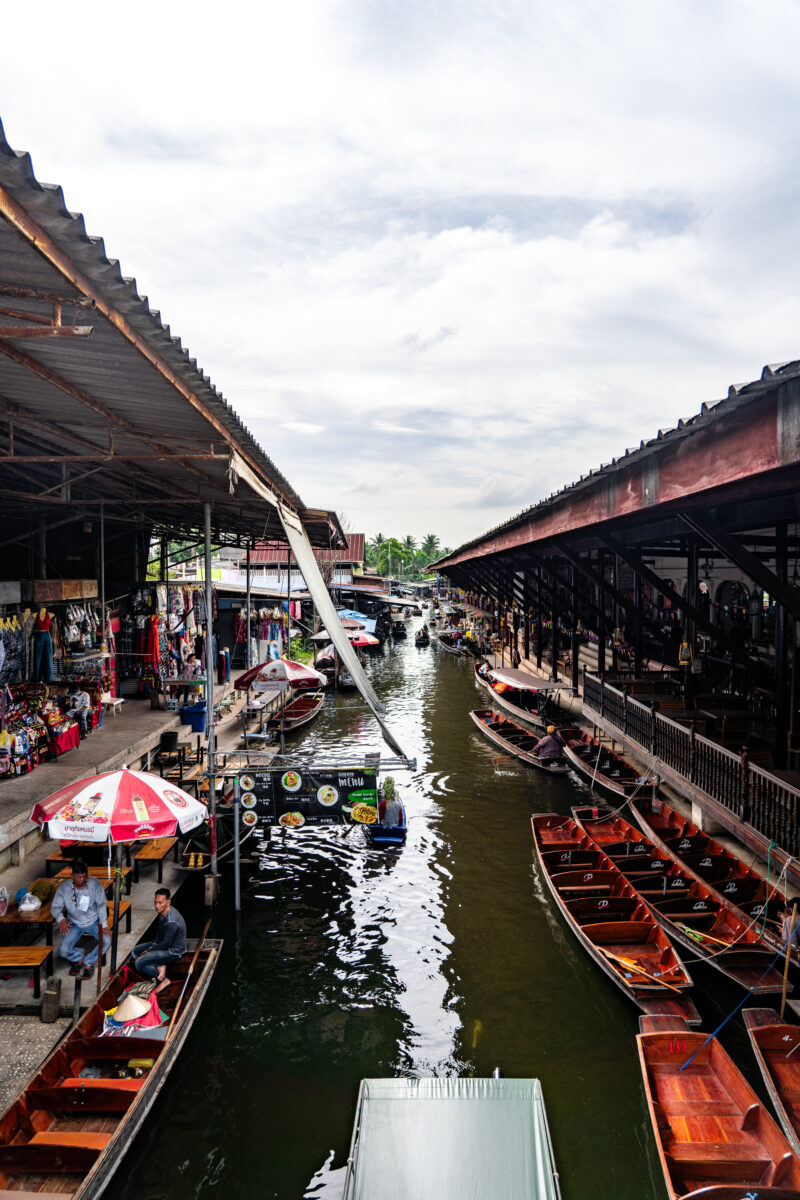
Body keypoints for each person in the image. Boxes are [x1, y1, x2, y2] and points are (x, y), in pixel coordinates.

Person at [51, 859, 111, 979]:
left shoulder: (95, 884)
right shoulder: (64, 888)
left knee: (107, 940)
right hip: (74, 923)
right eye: (78, 877)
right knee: (63, 950)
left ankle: (89, 962)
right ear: (72, 876)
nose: (82, 880)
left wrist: (103, 924)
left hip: (93, 921)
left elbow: (101, 905)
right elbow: (55, 908)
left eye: (84, 876)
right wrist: (61, 919)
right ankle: (78, 957)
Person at [132, 888, 187, 993]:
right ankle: (160, 964)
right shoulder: (163, 912)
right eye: (155, 902)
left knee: (138, 963)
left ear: (168, 902)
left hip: (173, 950)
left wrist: (149, 951)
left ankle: (165, 980)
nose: (157, 906)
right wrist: (153, 946)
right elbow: (159, 933)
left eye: (160, 903)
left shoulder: (171, 921)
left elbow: (166, 944)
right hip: (162, 944)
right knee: (135, 951)